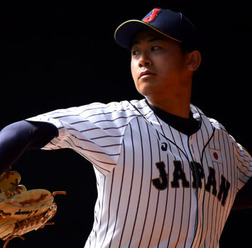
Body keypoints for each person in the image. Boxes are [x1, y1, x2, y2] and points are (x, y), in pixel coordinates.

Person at [0, 7, 251, 248]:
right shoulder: (119, 123)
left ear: (192, 60)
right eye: (135, 52)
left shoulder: (222, 142)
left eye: (155, 48)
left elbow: (223, 192)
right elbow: (23, 132)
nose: (143, 59)